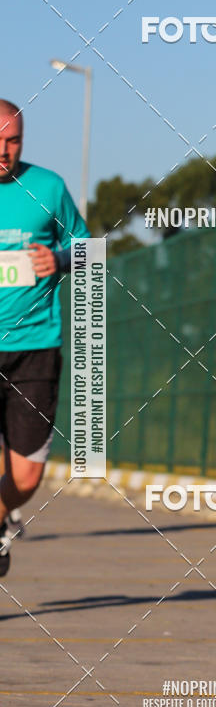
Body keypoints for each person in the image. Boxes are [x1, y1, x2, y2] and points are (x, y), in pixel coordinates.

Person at [0, 99, 90, 575]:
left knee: (26, 476)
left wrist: (58, 259)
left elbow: (89, 249)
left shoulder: (48, 187)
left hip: (35, 347)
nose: (4, 150)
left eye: (13, 140)